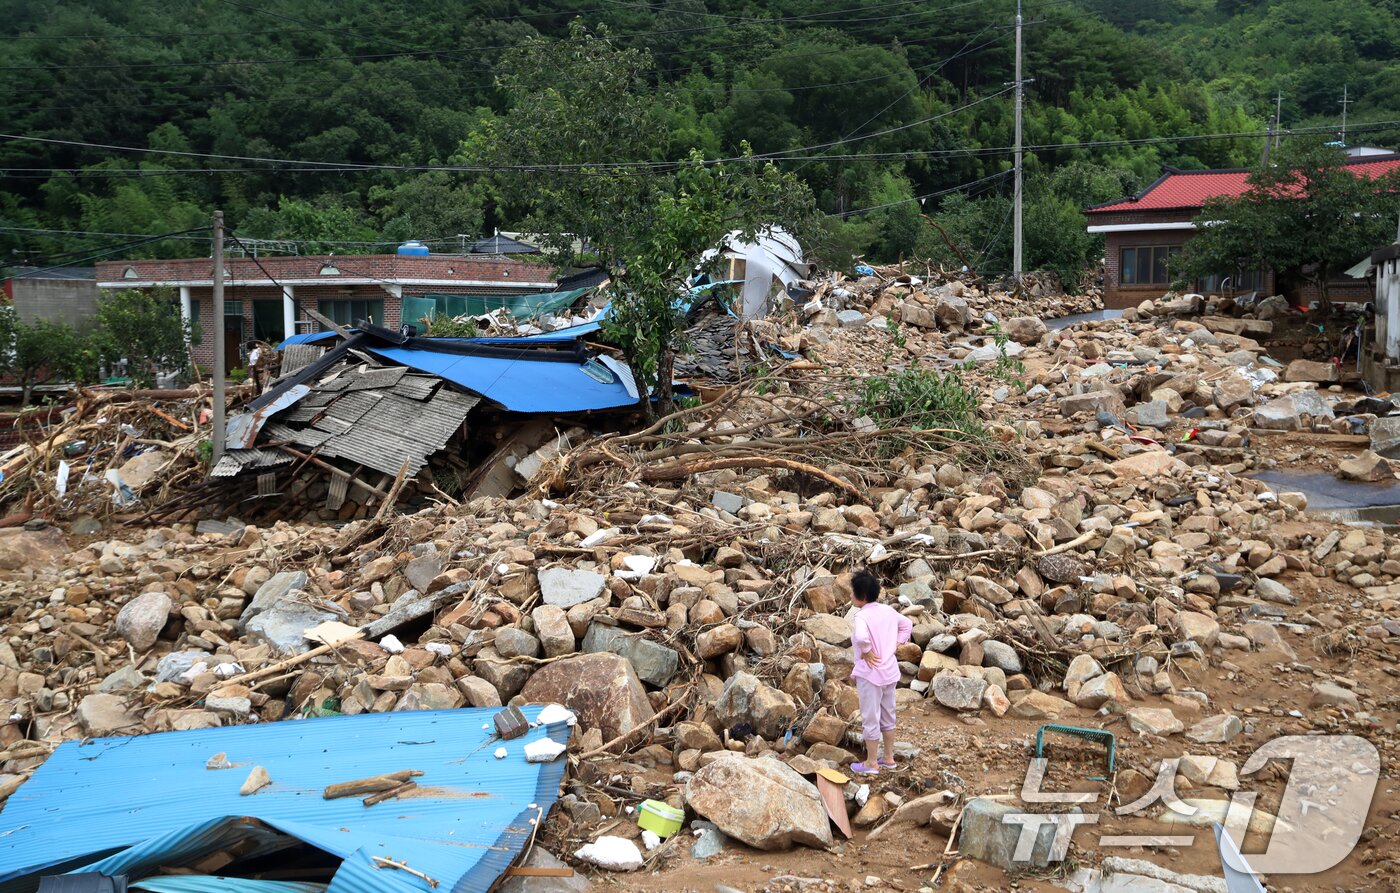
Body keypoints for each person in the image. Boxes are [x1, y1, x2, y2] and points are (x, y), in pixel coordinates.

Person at [848, 568, 912, 775]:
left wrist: (866, 651)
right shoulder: (888, 611)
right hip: (890, 671)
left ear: (862, 596)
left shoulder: (862, 616)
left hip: (870, 673)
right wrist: (895, 644)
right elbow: (907, 624)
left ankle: (871, 763)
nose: (850, 595)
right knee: (888, 714)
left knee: (870, 717)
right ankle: (889, 758)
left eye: (852, 592)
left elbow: (860, 637)